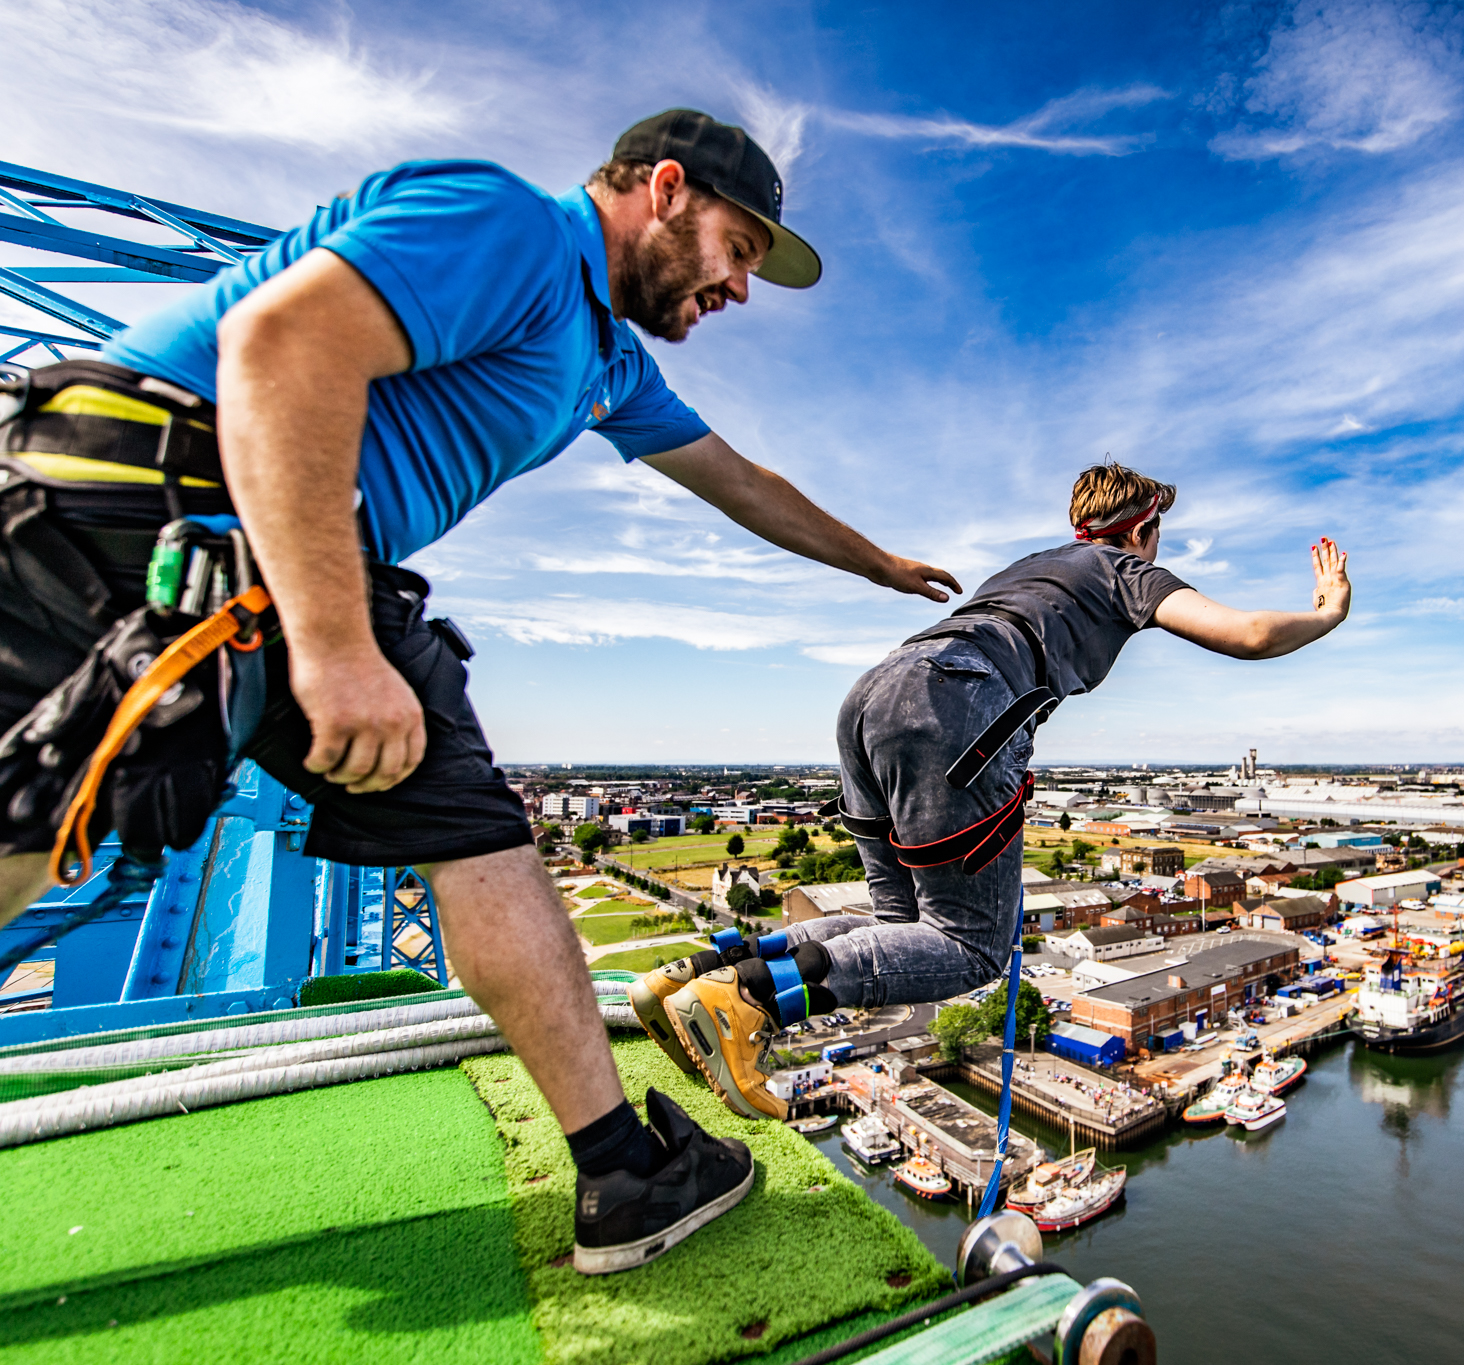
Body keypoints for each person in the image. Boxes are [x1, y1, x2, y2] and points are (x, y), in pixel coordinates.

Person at [0, 109, 960, 1274]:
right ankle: (621, 1164)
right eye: (740, 249)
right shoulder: (509, 225)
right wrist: (337, 646)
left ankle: (622, 1170)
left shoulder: (605, 359)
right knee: (46, 823)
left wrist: (881, 564)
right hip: (160, 497)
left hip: (260, 540)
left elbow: (738, 481)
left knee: (465, 833)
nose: (742, 289)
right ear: (665, 190)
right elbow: (276, 347)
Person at [631, 462, 1350, 1121]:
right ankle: (749, 1001)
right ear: (1142, 529)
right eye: (1157, 533)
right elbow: (1248, 634)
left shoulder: (1034, 566)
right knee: (973, 946)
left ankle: (692, 975)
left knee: (898, 921)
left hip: (875, 692)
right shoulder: (1125, 568)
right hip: (955, 706)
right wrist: (1325, 613)